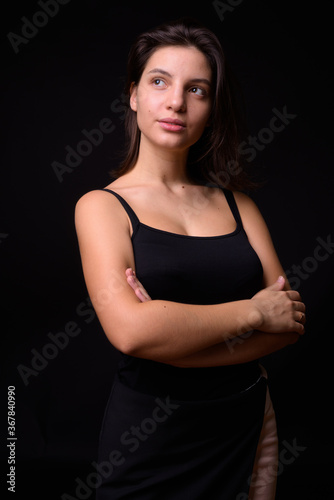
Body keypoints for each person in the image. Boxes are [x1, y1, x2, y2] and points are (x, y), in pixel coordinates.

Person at [75, 18, 306, 499]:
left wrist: (172, 337)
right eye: (159, 82)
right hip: (149, 441)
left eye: (196, 89)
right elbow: (131, 332)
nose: (176, 102)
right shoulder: (100, 207)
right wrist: (253, 311)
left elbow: (288, 326)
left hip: (243, 430)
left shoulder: (239, 206)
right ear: (134, 94)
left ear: (210, 106)